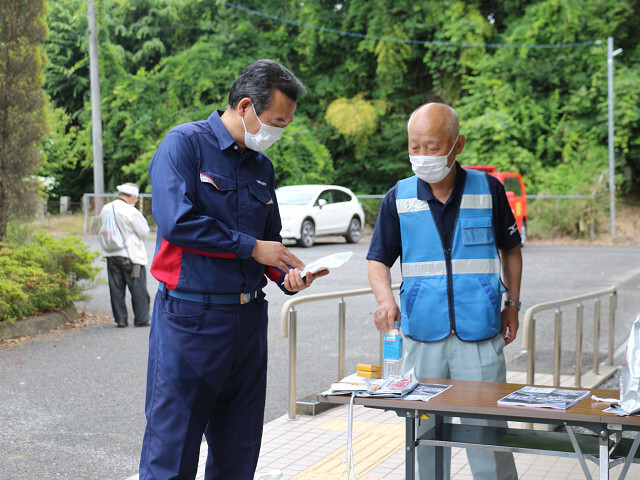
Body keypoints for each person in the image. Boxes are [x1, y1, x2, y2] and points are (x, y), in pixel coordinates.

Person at [139, 59, 328, 480]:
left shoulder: (261, 167)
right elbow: (177, 222)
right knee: (172, 449)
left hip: (247, 320)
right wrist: (252, 247)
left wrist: (291, 276)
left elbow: (271, 243)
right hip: (191, 320)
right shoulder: (184, 144)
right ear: (245, 106)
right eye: (277, 121)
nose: (280, 132)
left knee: (238, 451)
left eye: (286, 124)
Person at [367, 103, 522, 480]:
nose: (421, 156)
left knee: (487, 437)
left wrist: (513, 305)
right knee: (423, 439)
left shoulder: (489, 190)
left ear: (457, 145)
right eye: (414, 146)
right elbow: (377, 260)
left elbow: (511, 251)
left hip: (480, 336)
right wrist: (385, 299)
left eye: (432, 146)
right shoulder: (398, 197)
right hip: (422, 338)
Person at [98, 182, 150, 328]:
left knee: (116, 288)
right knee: (138, 287)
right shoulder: (130, 211)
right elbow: (144, 231)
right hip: (131, 256)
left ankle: (121, 320)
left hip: (111, 254)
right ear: (132, 196)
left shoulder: (106, 209)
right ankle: (141, 319)